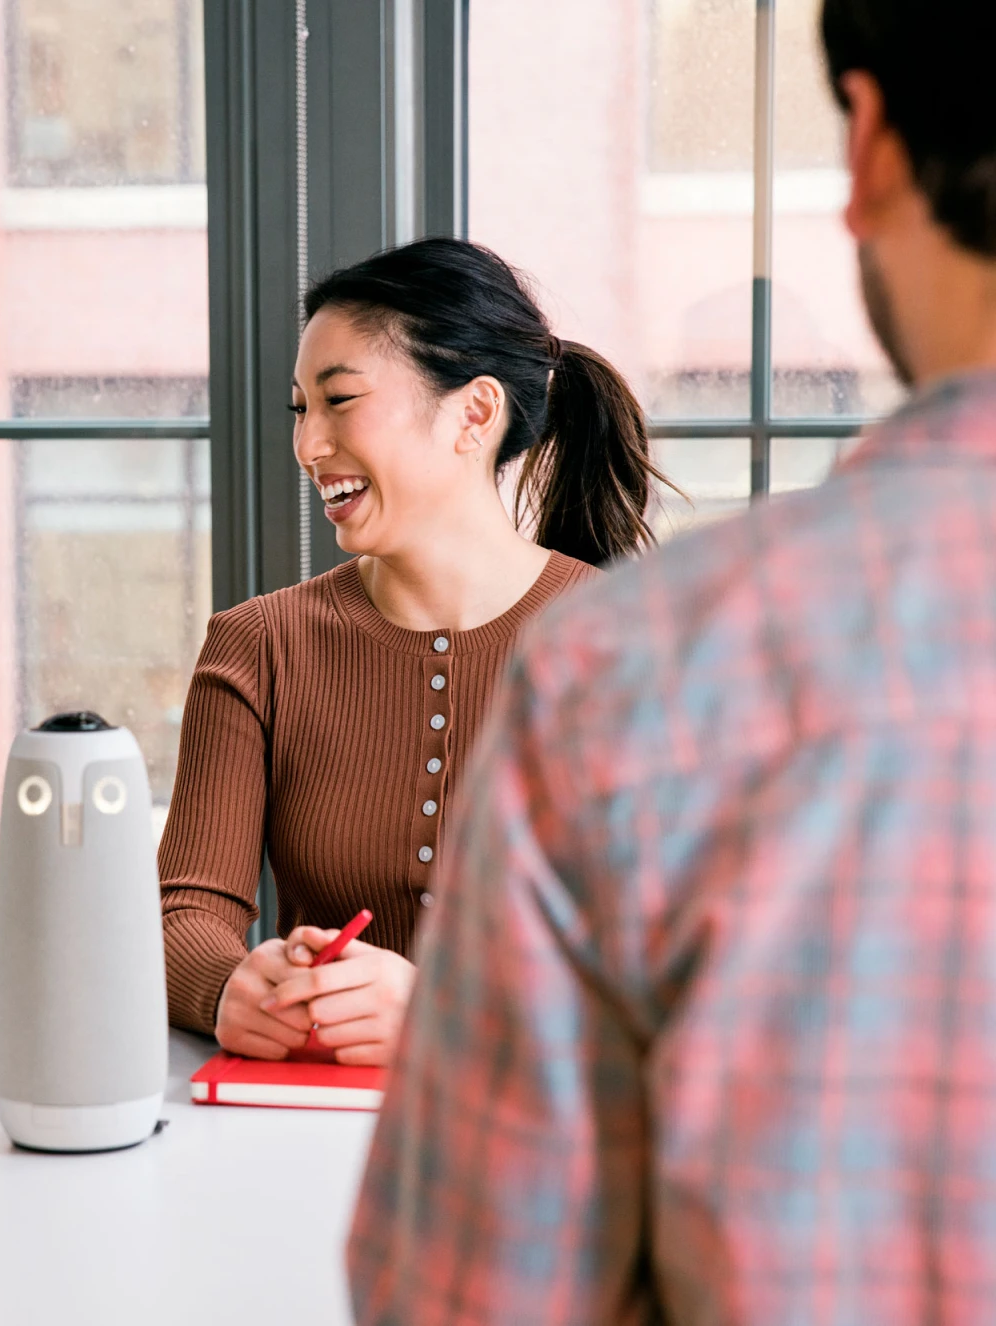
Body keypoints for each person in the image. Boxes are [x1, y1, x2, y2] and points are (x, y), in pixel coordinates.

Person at [348, 1, 996, 1320]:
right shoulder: (594, 663)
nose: (312, 444)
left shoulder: (629, 671)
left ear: (868, 147)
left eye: (338, 400)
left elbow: (469, 1298)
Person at [159, 237, 669, 1063]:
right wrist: (227, 988)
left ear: (473, 414)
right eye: (300, 410)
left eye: (340, 401)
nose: (308, 445)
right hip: (291, 1133)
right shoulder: (257, 647)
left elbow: (667, 953)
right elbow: (182, 913)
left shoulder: (634, 646)